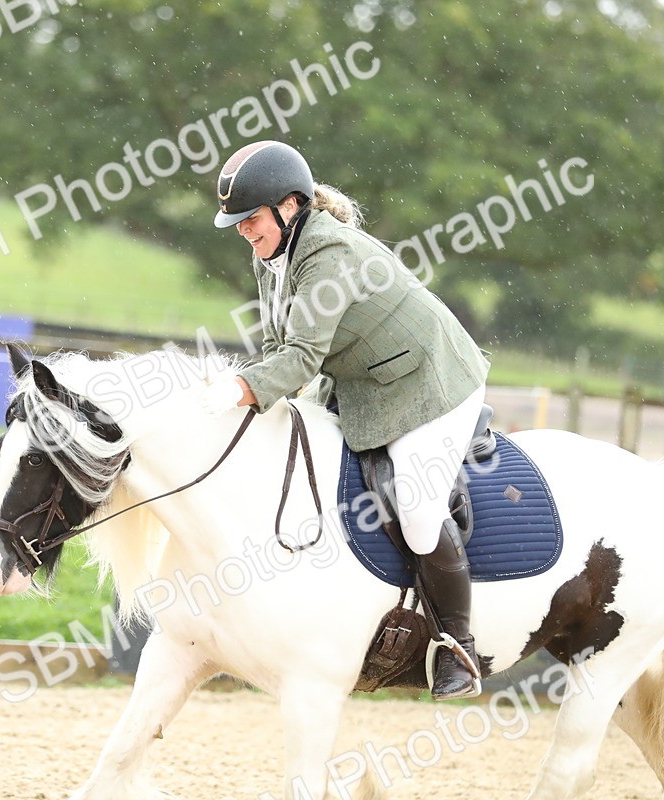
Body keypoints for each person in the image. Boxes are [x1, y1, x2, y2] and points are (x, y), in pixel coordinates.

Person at [200, 140, 490, 700]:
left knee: (418, 507)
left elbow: (302, 358)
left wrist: (239, 389)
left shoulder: (327, 253)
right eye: (236, 222)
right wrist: (248, 389)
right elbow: (278, 346)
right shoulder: (275, 253)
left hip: (431, 382)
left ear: (289, 206)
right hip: (362, 379)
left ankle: (458, 646)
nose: (243, 231)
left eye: (251, 218)